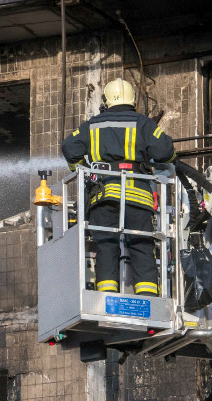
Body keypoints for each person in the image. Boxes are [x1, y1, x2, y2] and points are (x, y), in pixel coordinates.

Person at [60, 79, 176, 296]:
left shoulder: (93, 125)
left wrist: (84, 169)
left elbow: (69, 147)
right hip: (138, 197)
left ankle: (107, 296)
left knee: (106, 245)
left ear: (106, 101)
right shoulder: (143, 123)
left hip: (103, 195)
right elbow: (165, 152)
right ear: (132, 99)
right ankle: (147, 296)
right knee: (141, 245)